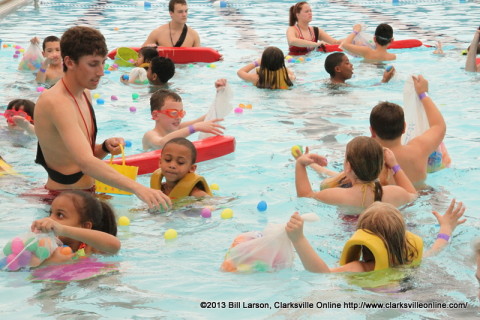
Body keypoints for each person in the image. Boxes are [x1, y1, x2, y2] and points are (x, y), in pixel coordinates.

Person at [34, 26, 171, 210]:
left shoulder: (84, 94)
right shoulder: (55, 102)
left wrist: (104, 147)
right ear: (70, 62)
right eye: (93, 64)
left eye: (103, 63)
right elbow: (86, 163)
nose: (101, 71)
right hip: (62, 204)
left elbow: (78, 157)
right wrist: (139, 189)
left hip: (87, 194)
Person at [286, 199, 466, 273]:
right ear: (402, 237)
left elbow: (322, 274)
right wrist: (446, 228)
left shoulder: (361, 268)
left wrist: (298, 239)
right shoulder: (410, 258)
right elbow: (437, 248)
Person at [295, 136, 417, 213]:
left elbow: (305, 196)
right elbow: (413, 195)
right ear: (381, 167)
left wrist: (300, 164)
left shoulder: (337, 195)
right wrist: (395, 165)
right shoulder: (394, 193)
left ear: (348, 167)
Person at [369, 75, 446, 188]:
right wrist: (423, 94)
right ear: (404, 128)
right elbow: (439, 125)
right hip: (422, 197)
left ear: (372, 131)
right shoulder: (418, 150)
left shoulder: (366, 159)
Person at [31, 190, 120, 265]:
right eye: (50, 213)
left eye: (60, 215)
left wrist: (62, 229)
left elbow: (114, 245)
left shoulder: (90, 249)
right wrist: (48, 264)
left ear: (85, 226)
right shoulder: (45, 247)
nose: (50, 219)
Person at [142, 79, 226, 150]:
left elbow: (210, 116)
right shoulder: (150, 135)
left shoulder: (179, 128)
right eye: (173, 113)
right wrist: (194, 128)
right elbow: (162, 143)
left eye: (181, 113)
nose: (178, 117)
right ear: (156, 115)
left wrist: (220, 93)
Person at [324, 52, 395, 85]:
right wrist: (384, 80)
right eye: (347, 63)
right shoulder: (344, 86)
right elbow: (367, 90)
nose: (351, 65)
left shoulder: (327, 82)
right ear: (337, 69)